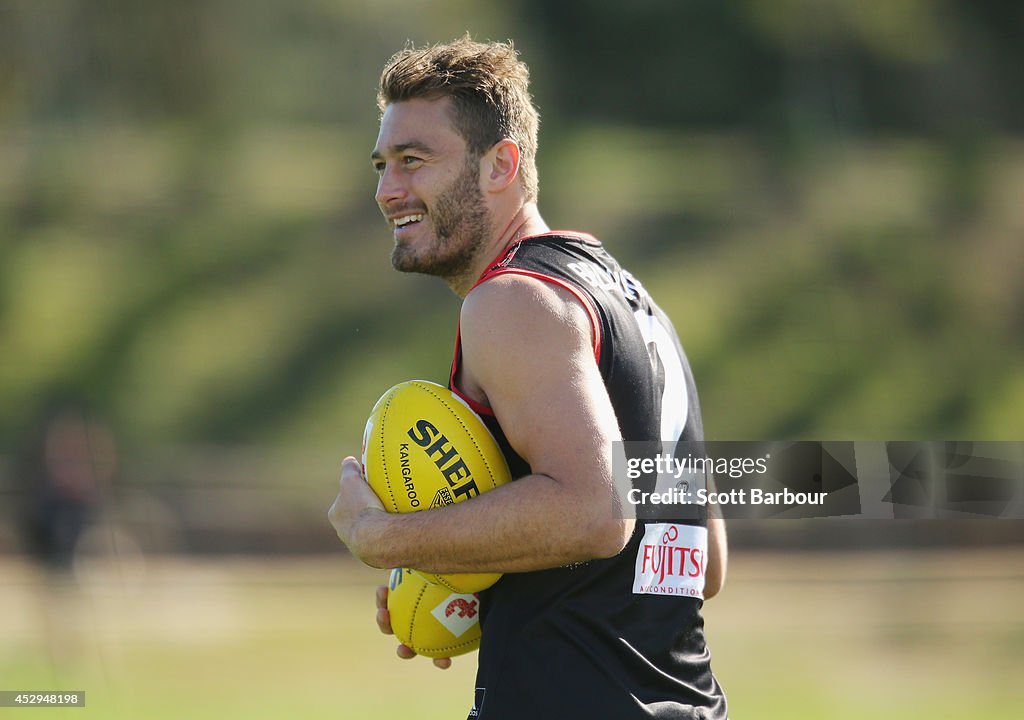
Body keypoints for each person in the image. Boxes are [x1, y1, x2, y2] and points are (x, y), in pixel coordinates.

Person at [329, 37, 728, 719]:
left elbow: (591, 514)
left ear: (500, 165)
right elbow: (703, 561)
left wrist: (385, 538)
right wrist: (471, 578)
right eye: (382, 165)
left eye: (414, 161)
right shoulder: (629, 297)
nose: (387, 189)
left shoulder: (512, 302)